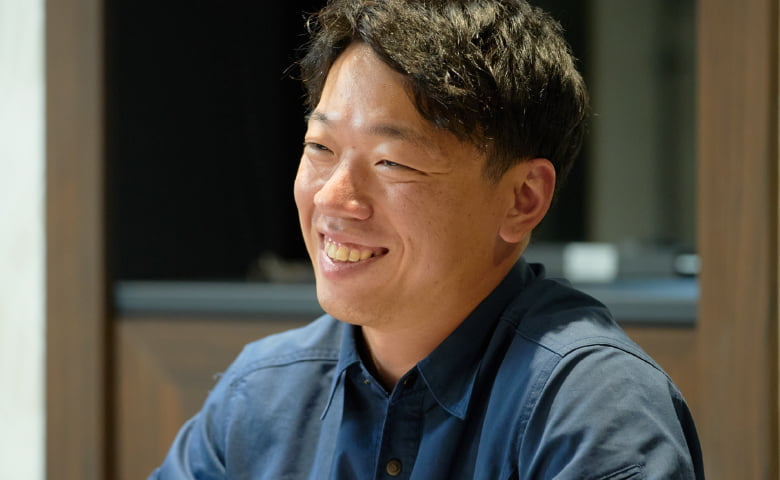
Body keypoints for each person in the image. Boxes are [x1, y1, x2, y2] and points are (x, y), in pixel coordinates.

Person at [151, 0, 704, 478]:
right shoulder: (260, 395)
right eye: (320, 148)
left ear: (522, 198)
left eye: (392, 161)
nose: (333, 198)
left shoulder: (593, 410)